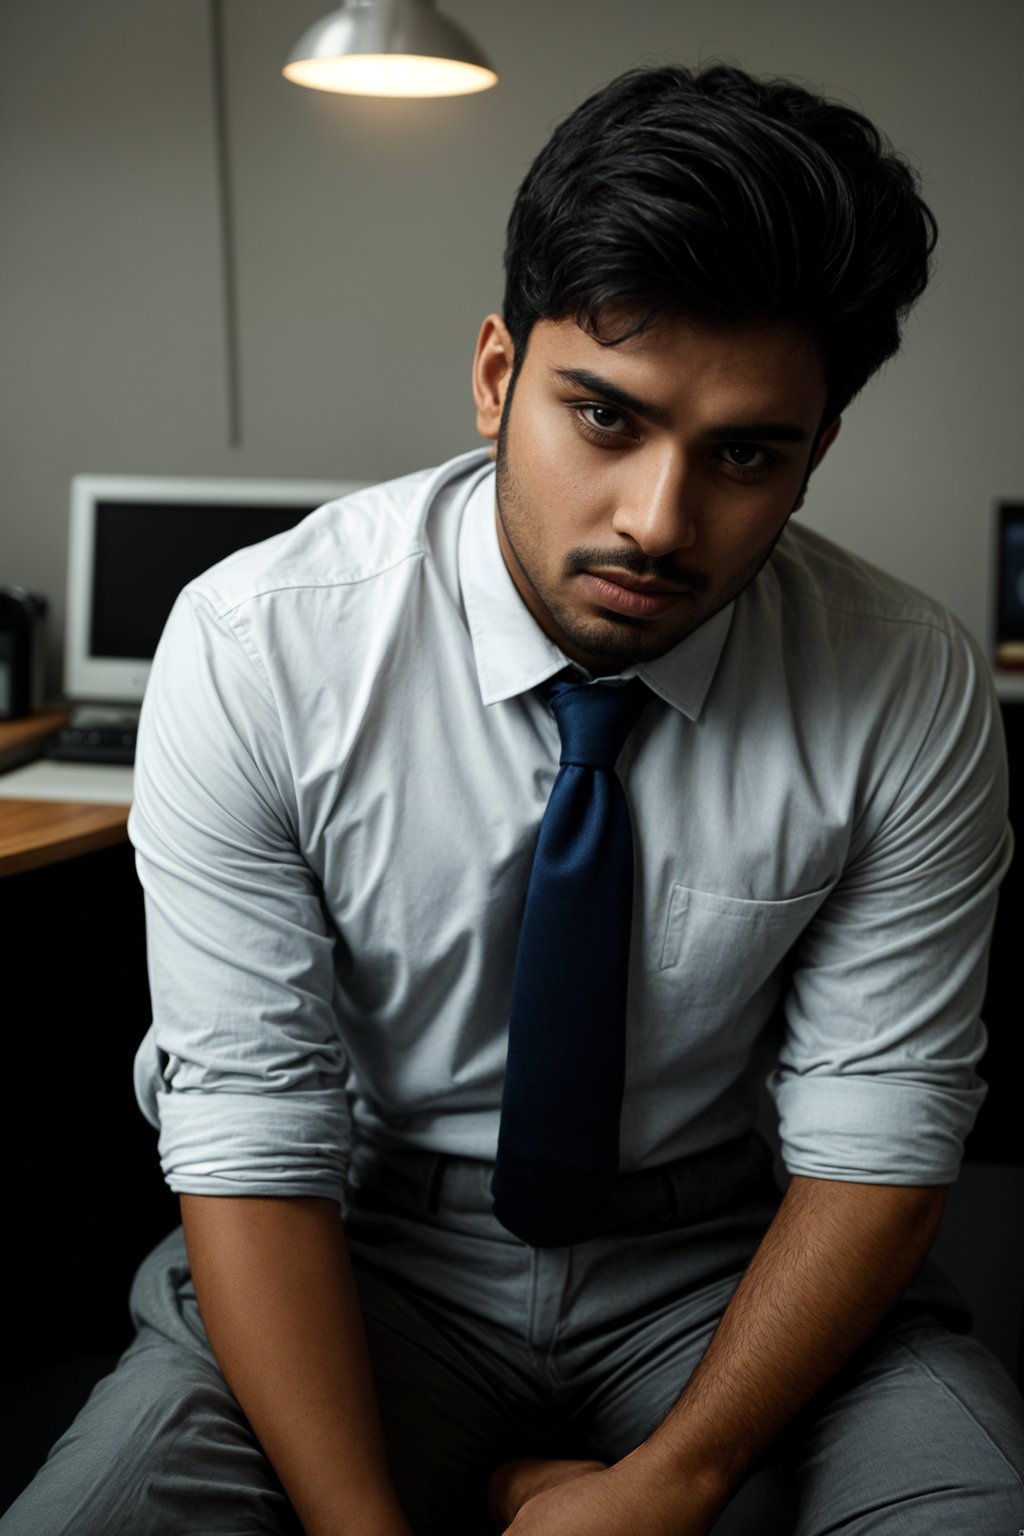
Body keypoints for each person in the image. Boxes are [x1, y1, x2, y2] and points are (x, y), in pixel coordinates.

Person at [5, 61, 1023, 1536]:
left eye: (747, 454)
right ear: (497, 376)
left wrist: (672, 1483)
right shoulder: (260, 645)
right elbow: (251, 1143)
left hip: (733, 1261)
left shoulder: (904, 676)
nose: (660, 522)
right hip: (364, 1258)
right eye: (605, 418)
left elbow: (883, 1138)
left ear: (818, 452)